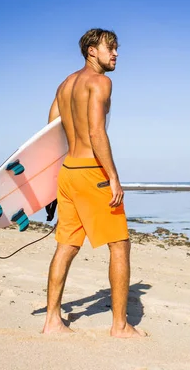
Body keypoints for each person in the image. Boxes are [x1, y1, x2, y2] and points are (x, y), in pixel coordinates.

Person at [42, 28, 145, 338]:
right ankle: (119, 325)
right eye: (109, 48)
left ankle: (51, 321)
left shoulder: (64, 86)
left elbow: (50, 132)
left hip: (68, 171)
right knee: (119, 246)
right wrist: (113, 177)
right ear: (91, 51)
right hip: (91, 172)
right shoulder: (100, 82)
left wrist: (51, 182)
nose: (115, 54)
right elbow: (97, 133)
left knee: (66, 246)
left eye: (116, 48)